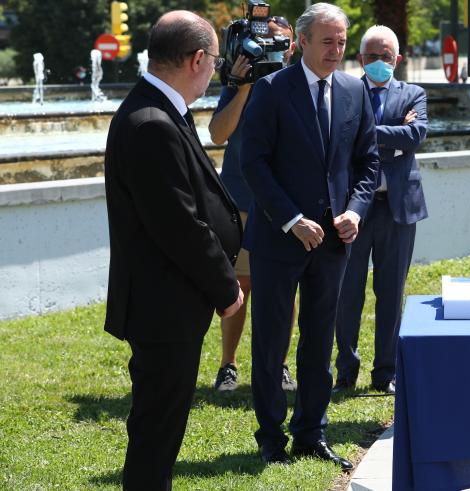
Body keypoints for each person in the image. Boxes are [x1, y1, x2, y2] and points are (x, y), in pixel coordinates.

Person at [103, 11, 243, 489]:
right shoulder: (151, 123)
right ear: (197, 59)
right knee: (156, 433)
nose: (214, 72)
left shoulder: (159, 111)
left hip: (171, 301)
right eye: (215, 62)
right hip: (163, 306)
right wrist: (226, 288)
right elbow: (179, 225)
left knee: (161, 429)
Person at [240, 2, 379, 467]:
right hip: (280, 239)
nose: (336, 51)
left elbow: (368, 162)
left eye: (342, 42)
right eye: (328, 42)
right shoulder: (271, 90)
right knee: (272, 340)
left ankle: (311, 433)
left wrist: (356, 212)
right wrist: (291, 219)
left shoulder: (355, 90)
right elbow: (253, 163)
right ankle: (270, 435)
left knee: (320, 340)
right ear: (302, 42)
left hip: (335, 241)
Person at [334, 25, 428, 396]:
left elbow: (417, 134)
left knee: (391, 291)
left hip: (398, 208)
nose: (378, 63)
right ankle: (345, 370)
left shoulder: (414, 93)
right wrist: (392, 131)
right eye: (371, 56)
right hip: (354, 209)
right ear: (360, 59)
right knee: (348, 291)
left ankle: (385, 371)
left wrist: (367, 130)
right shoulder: (345, 92)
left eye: (385, 57)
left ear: (397, 60)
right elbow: (340, 139)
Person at [208, 15, 297, 393]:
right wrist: (242, 87)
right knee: (240, 283)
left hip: (289, 204)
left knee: (283, 288)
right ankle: (228, 365)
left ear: (294, 45)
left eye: (282, 42)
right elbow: (217, 135)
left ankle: (278, 364)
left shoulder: (301, 83)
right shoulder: (239, 80)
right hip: (243, 199)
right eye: (268, 41)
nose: (275, 48)